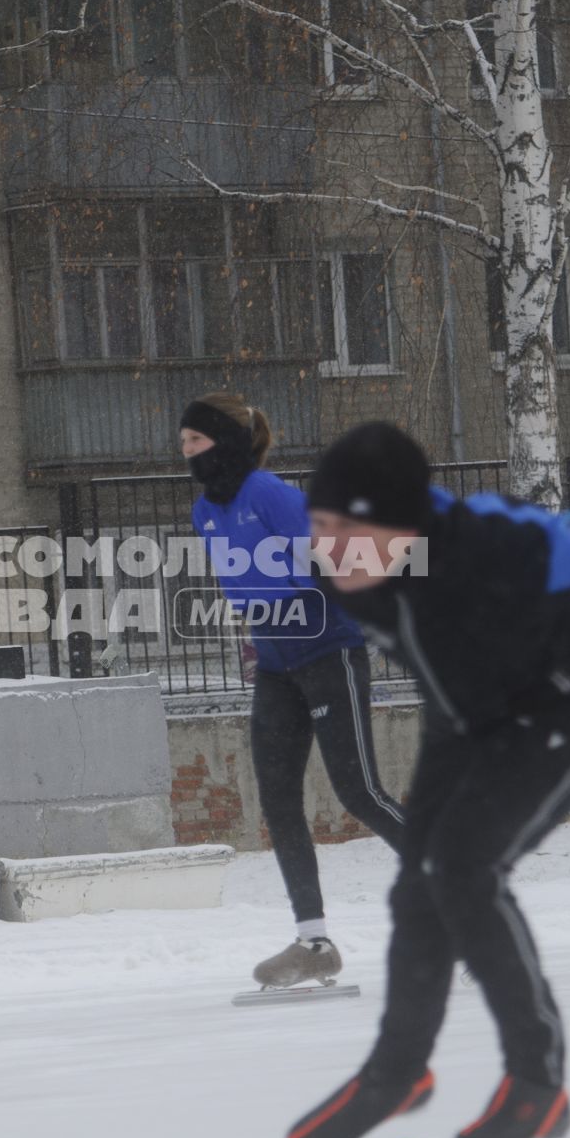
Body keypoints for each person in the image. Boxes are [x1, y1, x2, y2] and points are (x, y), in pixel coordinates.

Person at [283, 422, 570, 1138]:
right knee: (416, 888)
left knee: (463, 869)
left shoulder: (498, 548)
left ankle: (538, 1082)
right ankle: (396, 1074)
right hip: (464, 717)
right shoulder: (349, 571)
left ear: (395, 527)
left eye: (342, 529)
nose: (324, 546)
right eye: (318, 526)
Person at [178, 394, 405, 989]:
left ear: (224, 441)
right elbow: (242, 584)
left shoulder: (270, 495)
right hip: (277, 667)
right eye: (182, 443)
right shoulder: (205, 511)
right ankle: (314, 943)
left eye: (195, 441)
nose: (186, 452)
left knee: (358, 792)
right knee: (278, 801)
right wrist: (258, 641)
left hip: (329, 650)